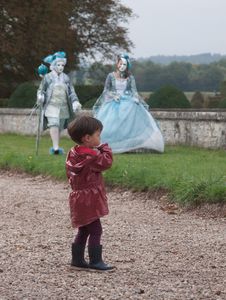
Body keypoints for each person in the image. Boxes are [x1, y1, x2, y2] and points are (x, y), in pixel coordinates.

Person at [66, 115, 114, 272]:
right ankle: (95, 261)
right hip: (90, 198)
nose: (100, 138)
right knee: (95, 229)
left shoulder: (73, 153)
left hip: (78, 196)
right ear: (87, 138)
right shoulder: (91, 156)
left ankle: (77, 259)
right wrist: (104, 147)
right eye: (98, 135)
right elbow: (107, 162)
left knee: (84, 228)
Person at [93, 54, 164, 153]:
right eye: (120, 63)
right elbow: (106, 90)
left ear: (127, 66)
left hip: (127, 102)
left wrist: (135, 98)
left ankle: (128, 147)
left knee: (129, 125)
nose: (122, 66)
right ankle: (109, 146)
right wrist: (113, 95)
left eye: (124, 64)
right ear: (117, 64)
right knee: (111, 125)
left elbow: (134, 90)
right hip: (113, 102)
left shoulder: (130, 77)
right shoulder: (111, 75)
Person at [37, 51, 81, 155]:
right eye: (58, 65)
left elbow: (71, 92)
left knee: (60, 126)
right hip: (51, 106)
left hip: (63, 107)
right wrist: (40, 96)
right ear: (53, 65)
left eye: (62, 65)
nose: (61, 67)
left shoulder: (66, 78)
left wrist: (75, 102)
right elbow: (41, 89)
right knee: (54, 124)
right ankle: (56, 148)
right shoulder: (47, 77)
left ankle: (55, 146)